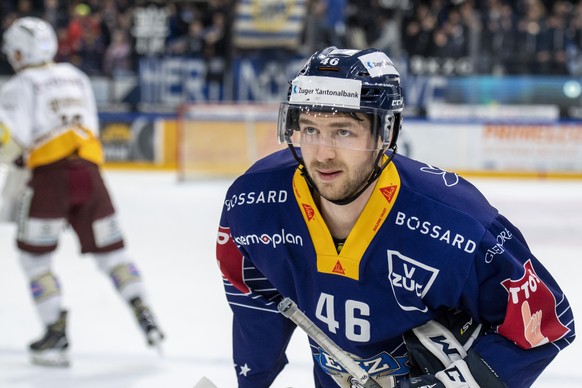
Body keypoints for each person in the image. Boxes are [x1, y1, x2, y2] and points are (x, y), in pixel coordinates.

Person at [215, 46, 575, 387]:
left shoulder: (457, 224)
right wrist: (253, 378)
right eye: (310, 129)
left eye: (344, 131)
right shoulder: (254, 202)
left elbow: (548, 323)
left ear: (385, 133)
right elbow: (252, 291)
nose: (322, 153)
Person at [0, 17, 164, 367]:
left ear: (19, 51)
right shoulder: (76, 76)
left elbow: (8, 140)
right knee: (114, 255)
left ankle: (55, 332)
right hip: (90, 175)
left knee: (34, 258)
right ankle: (143, 309)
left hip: (48, 179)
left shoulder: (20, 85)